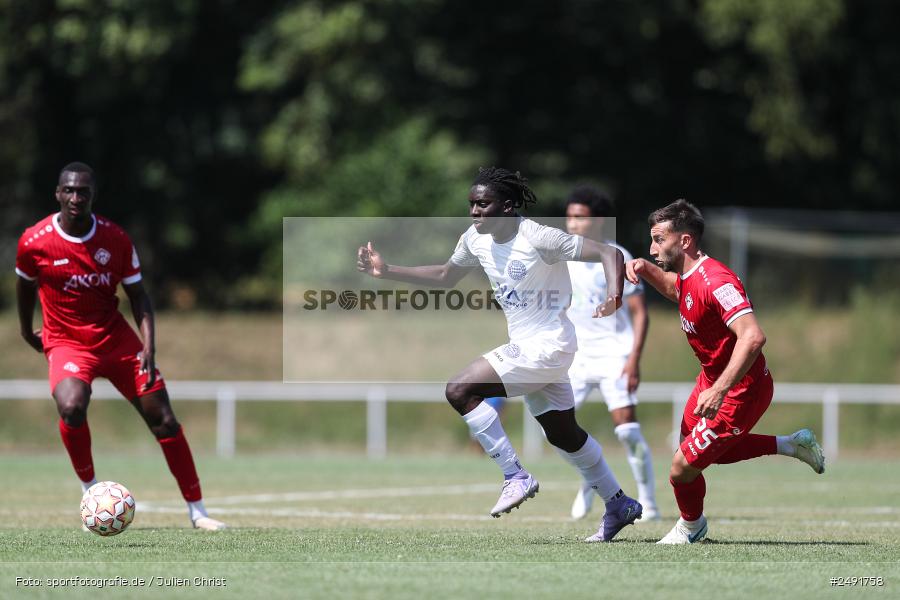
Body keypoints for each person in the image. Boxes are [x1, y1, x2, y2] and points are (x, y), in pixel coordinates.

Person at [358, 167, 642, 542]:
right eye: (472, 204)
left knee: (460, 389)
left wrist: (614, 295)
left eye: (483, 204)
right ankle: (618, 503)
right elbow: (446, 275)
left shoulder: (539, 236)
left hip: (548, 345)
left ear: (507, 207)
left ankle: (515, 475)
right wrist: (387, 270)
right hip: (537, 348)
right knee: (563, 434)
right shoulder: (474, 239)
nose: (475, 212)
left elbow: (609, 253)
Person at [15, 162, 226, 531]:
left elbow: (139, 296)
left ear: (93, 195)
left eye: (84, 191)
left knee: (164, 420)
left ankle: (199, 512)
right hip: (66, 342)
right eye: (69, 190)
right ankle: (90, 491)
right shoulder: (34, 242)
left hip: (116, 339)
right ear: (58, 194)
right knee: (71, 407)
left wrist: (149, 346)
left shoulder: (114, 239)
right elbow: (24, 285)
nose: (76, 197)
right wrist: (24, 330)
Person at [626, 199, 824, 544]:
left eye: (659, 239)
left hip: (740, 389)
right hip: (712, 381)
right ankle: (791, 445)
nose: (652, 247)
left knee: (681, 468)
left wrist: (719, 392)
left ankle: (691, 527)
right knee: (695, 451)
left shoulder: (717, 281)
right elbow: (678, 290)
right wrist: (645, 268)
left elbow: (753, 336)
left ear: (684, 241)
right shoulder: (690, 277)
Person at [564, 186, 659, 521]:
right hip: (575, 359)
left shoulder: (615, 255)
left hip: (613, 357)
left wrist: (633, 359)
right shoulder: (562, 256)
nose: (572, 223)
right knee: (559, 428)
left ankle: (649, 502)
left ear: (599, 221)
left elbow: (640, 313)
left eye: (580, 217)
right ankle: (592, 483)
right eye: (570, 216)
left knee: (627, 431)